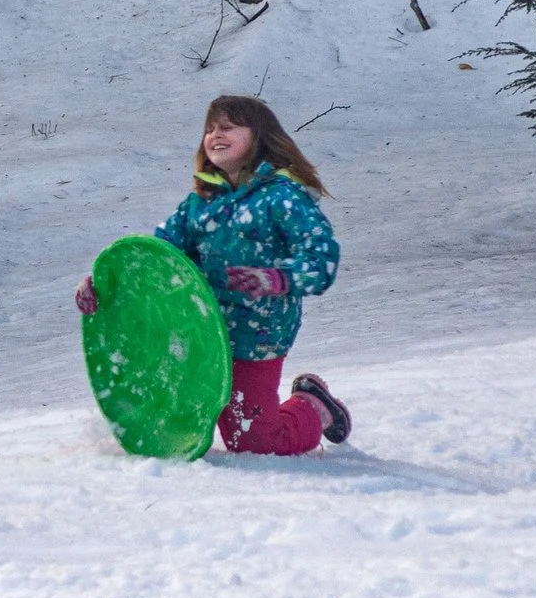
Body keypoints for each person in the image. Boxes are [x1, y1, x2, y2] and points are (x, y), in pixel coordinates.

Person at [77, 94, 349, 455]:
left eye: (227, 127)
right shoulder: (201, 203)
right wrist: (103, 284)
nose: (214, 135)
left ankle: (313, 406)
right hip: (198, 335)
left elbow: (322, 260)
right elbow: (157, 258)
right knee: (180, 412)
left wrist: (277, 278)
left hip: (256, 336)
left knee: (253, 441)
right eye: (209, 129)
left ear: (259, 136)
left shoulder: (282, 198)